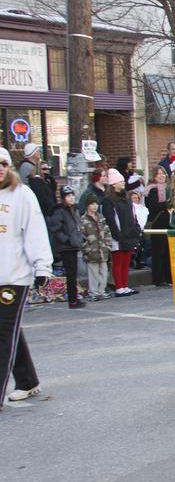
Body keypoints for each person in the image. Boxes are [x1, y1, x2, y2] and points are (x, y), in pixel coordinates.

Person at [0, 147, 53, 411]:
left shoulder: (22, 195)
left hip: (14, 276)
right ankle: (27, 380)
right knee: (9, 332)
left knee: (3, 333)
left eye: (3, 163)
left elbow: (35, 232)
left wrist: (42, 267)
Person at [102, 168, 142, 297]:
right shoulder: (109, 200)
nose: (123, 183)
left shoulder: (126, 198)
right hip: (118, 236)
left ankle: (125, 285)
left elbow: (132, 214)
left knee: (126, 261)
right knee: (118, 262)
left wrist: (135, 228)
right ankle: (118, 286)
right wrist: (116, 234)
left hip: (129, 233)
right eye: (121, 181)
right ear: (114, 184)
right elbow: (110, 219)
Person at [48, 185, 86, 309]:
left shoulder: (74, 210)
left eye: (72, 195)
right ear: (64, 198)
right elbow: (55, 229)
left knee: (74, 273)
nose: (71, 198)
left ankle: (75, 297)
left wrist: (80, 238)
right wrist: (67, 239)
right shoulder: (60, 211)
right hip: (66, 247)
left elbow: (77, 226)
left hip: (73, 245)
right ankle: (72, 300)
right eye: (68, 196)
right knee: (70, 274)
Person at [80, 191, 113, 300]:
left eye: (96, 204)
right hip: (92, 251)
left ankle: (101, 290)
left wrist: (108, 244)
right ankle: (93, 292)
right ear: (87, 205)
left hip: (102, 249)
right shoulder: (83, 220)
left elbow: (107, 231)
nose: (94, 206)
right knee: (93, 272)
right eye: (92, 204)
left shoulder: (101, 217)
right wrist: (87, 248)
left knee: (103, 271)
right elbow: (81, 236)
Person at [144, 165, 171, 286]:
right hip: (158, 223)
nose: (162, 176)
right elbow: (152, 206)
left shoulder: (169, 189)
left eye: (163, 173)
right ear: (154, 176)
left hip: (168, 222)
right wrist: (168, 204)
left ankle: (169, 278)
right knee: (158, 252)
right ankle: (159, 279)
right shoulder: (152, 189)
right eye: (159, 174)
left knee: (167, 252)